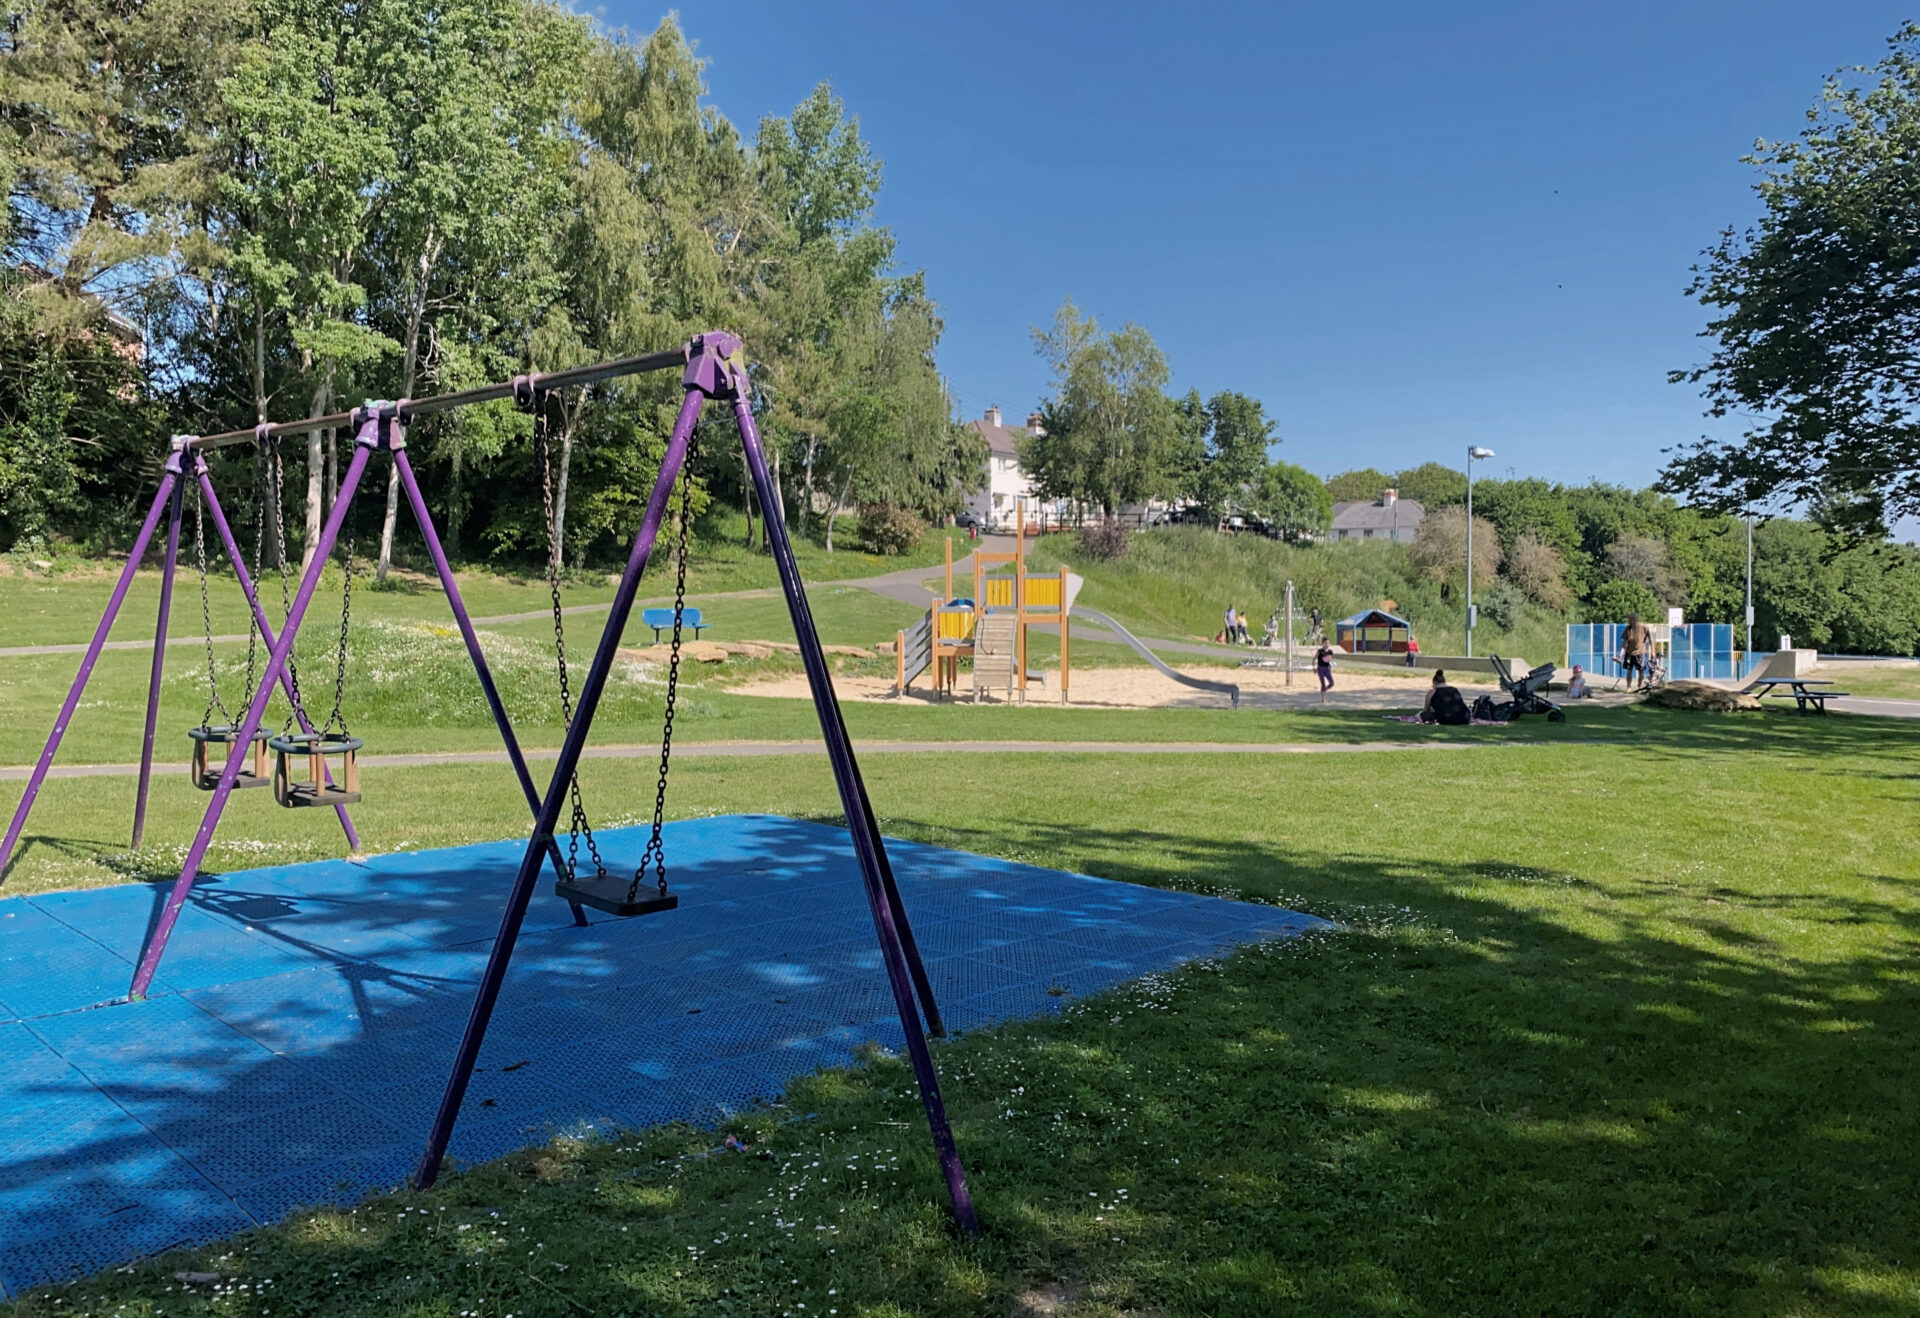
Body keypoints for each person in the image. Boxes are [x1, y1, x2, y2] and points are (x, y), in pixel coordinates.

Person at [1619, 613, 1654, 691]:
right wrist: (1620, 655)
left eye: (1630, 620)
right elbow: (1624, 642)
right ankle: (1628, 687)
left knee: (1641, 671)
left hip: (1640, 653)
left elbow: (1651, 640)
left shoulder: (1644, 628)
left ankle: (1639, 686)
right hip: (1629, 653)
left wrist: (1652, 652)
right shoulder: (1628, 629)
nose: (1628, 622)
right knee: (1629, 671)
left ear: (1634, 620)